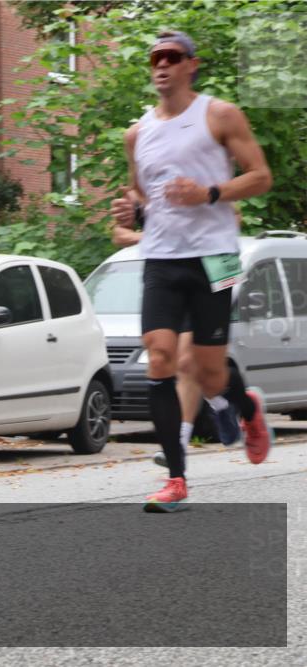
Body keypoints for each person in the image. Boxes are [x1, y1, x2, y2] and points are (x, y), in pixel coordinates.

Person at [110, 31, 273, 512]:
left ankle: (246, 409)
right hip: (161, 257)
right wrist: (129, 212)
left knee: (207, 372)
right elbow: (143, 195)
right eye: (154, 57)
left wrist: (211, 193)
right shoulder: (136, 133)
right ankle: (176, 479)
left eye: (171, 57)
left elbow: (261, 176)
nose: (161, 65)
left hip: (216, 256)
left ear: (191, 65)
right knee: (159, 358)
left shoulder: (219, 115)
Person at [111, 214, 245, 470]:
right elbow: (119, 234)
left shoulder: (202, 178)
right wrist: (159, 240)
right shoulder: (145, 188)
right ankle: (219, 407)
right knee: (173, 361)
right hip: (168, 279)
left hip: (210, 276)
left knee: (187, 361)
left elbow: (234, 219)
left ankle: (190, 433)